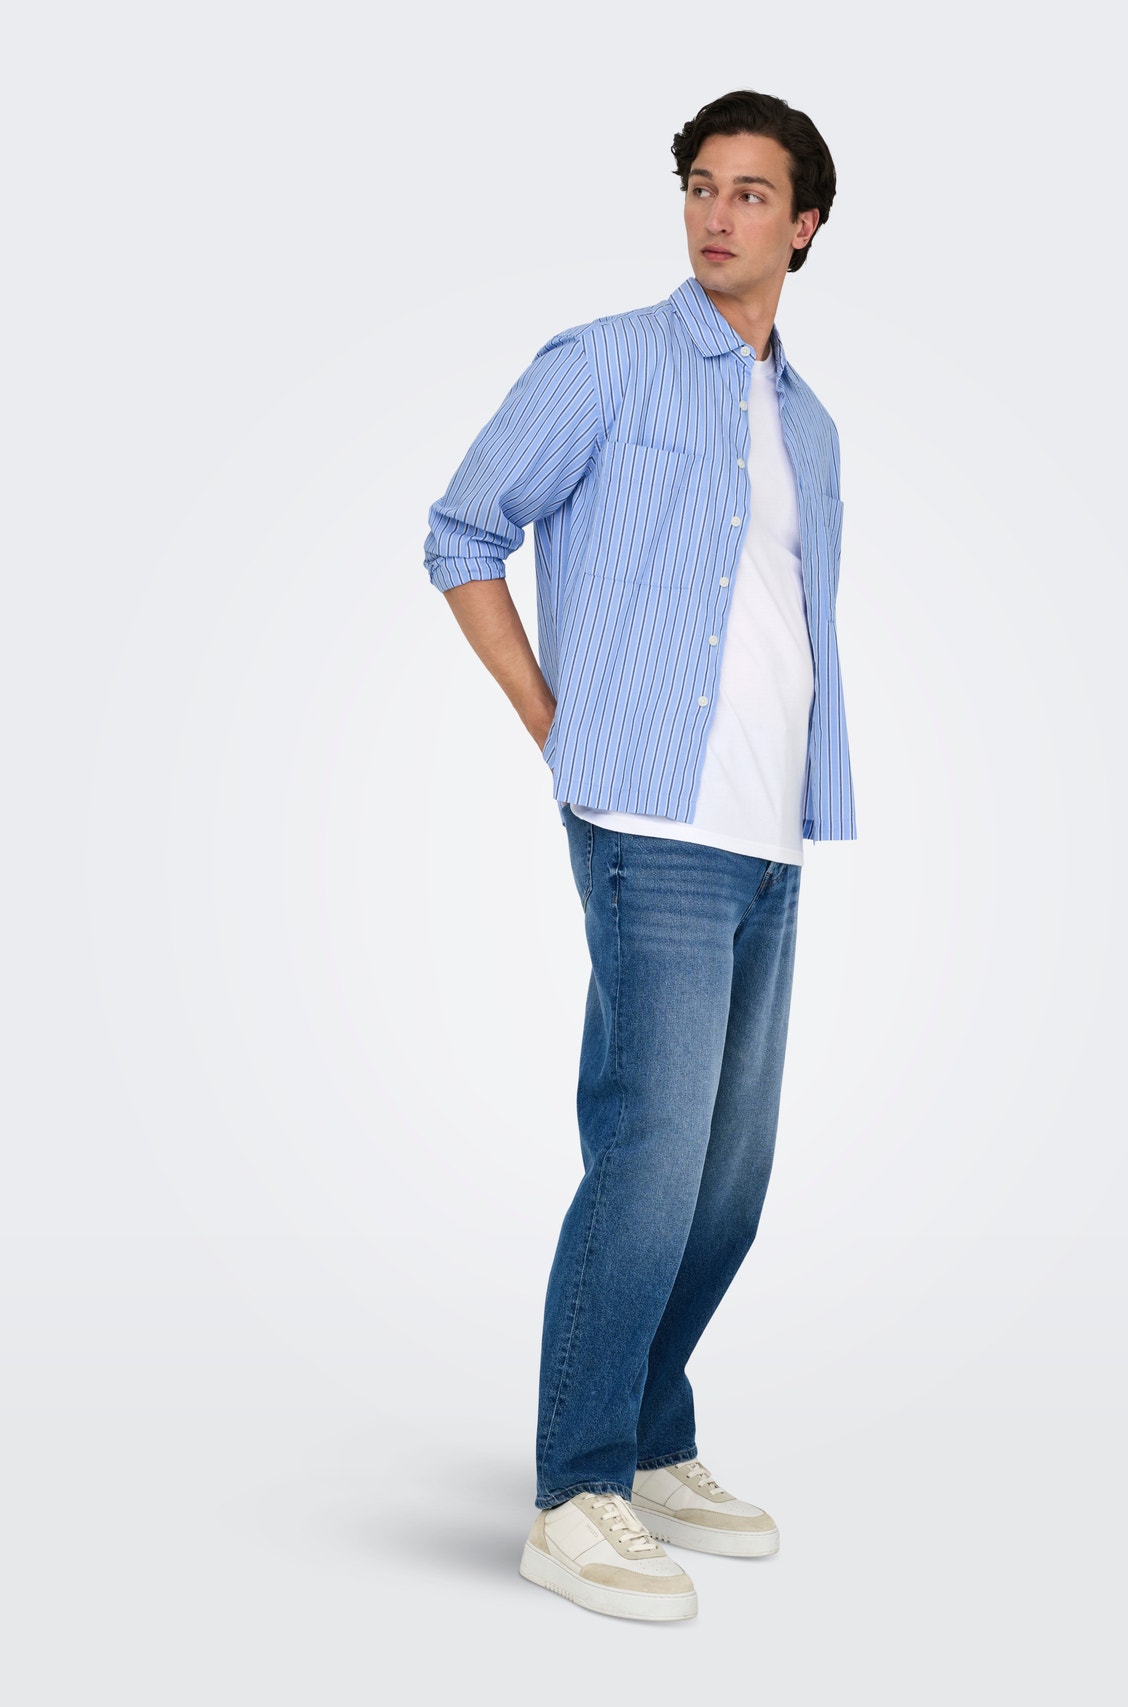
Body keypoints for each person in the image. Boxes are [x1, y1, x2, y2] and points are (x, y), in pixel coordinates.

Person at [423, 89, 855, 1622]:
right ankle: (576, 1490)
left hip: (768, 838)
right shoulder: (607, 362)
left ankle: (654, 1437)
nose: (716, 214)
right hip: (651, 827)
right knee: (649, 1163)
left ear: (805, 226)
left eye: (751, 193)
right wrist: (557, 724)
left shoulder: (810, 421)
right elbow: (465, 531)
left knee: (729, 1183)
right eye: (700, 185)